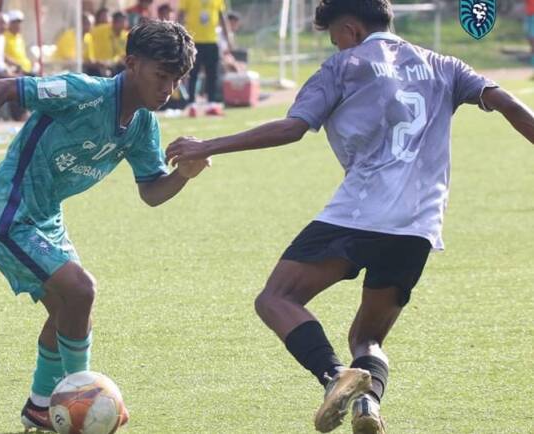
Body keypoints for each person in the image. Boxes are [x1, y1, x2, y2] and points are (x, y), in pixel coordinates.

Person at [164, 0, 534, 432]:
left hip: (359, 213)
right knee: (368, 337)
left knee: (276, 298)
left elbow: (292, 128)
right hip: (419, 226)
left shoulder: (342, 67)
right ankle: (366, 406)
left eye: (334, 35)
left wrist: (207, 145)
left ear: (352, 29)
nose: (334, 44)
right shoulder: (443, 63)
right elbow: (507, 102)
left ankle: (332, 374)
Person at [0, 20, 204, 432]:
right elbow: (1, 88)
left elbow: (151, 192)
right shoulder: (83, 92)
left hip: (45, 220)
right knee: (81, 288)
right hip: (5, 215)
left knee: (73, 309)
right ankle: (83, 396)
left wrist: (185, 175)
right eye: (161, 76)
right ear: (132, 63)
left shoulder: (143, 126)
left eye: (176, 80)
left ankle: (39, 405)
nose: (168, 89)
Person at [177, 0, 231, 104]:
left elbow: (222, 17)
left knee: (212, 73)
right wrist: (178, 36)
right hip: (194, 41)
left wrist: (228, 38)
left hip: (212, 40)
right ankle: (191, 102)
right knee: (193, 73)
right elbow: (181, 16)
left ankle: (212, 102)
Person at [88, 11, 128, 77]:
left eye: (124, 22)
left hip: (113, 65)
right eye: (120, 22)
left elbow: (122, 55)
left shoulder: (125, 36)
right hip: (96, 64)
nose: (123, 24)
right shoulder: (101, 30)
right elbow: (88, 35)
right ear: (113, 22)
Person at [4, 10, 33, 75]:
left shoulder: (19, 37)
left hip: (27, 70)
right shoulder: (3, 37)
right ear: (8, 23)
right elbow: (3, 56)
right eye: (14, 22)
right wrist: (16, 65)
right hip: (15, 73)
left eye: (19, 22)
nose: (18, 25)